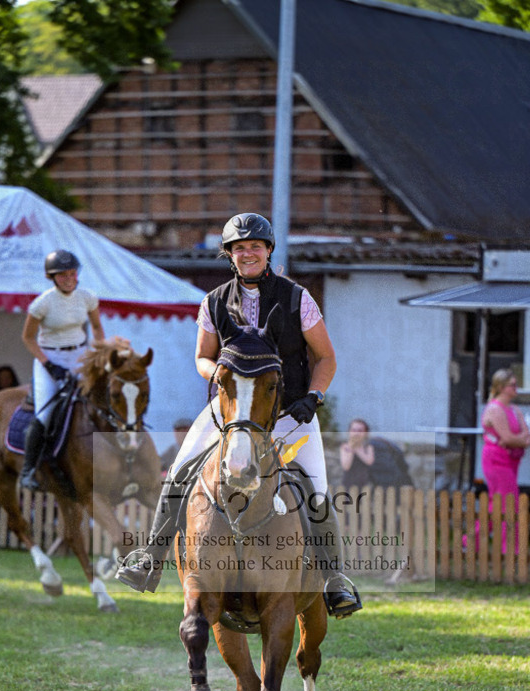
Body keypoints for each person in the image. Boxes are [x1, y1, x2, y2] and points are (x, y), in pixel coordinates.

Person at [117, 212, 362, 618]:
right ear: (230, 255)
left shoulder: (298, 298)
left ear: (268, 251)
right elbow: (202, 356)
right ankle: (150, 557)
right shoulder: (213, 301)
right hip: (230, 411)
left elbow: (326, 357)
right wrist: (217, 375)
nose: (247, 253)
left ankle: (334, 579)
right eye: (239, 248)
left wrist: (314, 397)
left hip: (289, 412)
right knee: (180, 470)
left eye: (255, 246)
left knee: (316, 488)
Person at [19, 249, 105, 490]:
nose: (68, 278)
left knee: (100, 400)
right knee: (45, 414)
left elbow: (97, 328)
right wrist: (49, 365)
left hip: (80, 354)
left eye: (72, 273)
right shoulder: (42, 303)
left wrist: (97, 354)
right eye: (62, 275)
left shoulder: (87, 297)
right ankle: (28, 470)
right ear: (52, 277)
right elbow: (27, 338)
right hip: (49, 357)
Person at [481, 368, 530, 552]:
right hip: (496, 460)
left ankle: (470, 542)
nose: (516, 388)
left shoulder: (515, 409)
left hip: (511, 459)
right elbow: (509, 437)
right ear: (502, 387)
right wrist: (516, 440)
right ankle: (509, 547)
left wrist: (515, 440)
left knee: (497, 503)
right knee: (509, 502)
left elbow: (527, 436)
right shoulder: (495, 409)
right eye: (513, 385)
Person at [341, 419, 413, 490]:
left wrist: (358, 449)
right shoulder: (345, 447)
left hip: (364, 483)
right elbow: (346, 466)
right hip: (349, 483)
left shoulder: (368, 447)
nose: (356, 433)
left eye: (360, 430)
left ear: (366, 433)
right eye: (354, 430)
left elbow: (369, 462)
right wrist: (351, 449)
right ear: (349, 432)